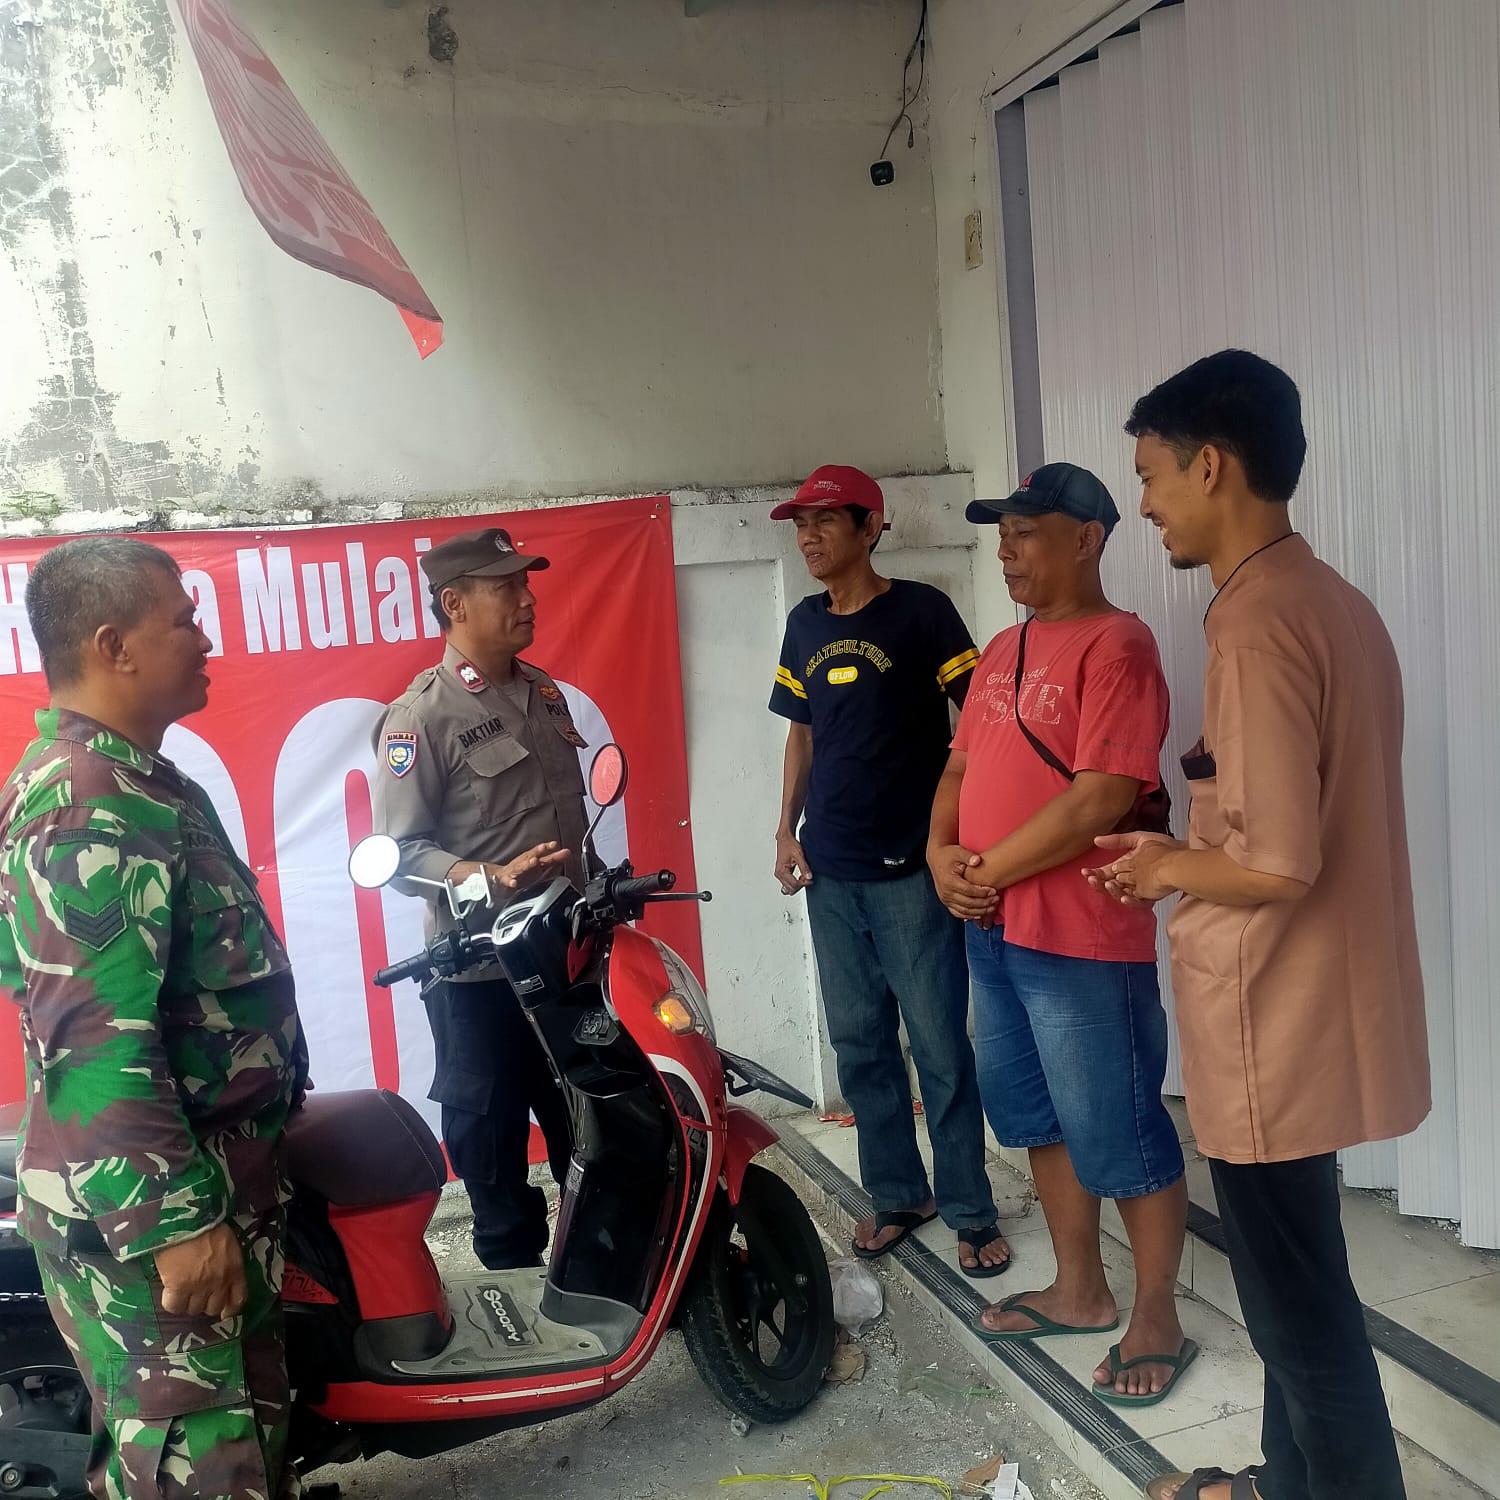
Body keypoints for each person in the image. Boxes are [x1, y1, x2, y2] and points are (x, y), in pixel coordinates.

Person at [1089, 349, 1430, 1500]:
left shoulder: (1257, 624)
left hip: (1270, 1019)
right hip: (1315, 1007)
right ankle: (1287, 1484)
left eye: (1151, 476)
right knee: (1299, 1291)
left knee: (1301, 1320)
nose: (1145, 504)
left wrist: (1162, 866)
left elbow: (1278, 859)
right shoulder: (1333, 602)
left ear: (1211, 466)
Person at [0, 537, 307, 1500]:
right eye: (183, 622)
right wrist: (173, 1226)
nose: (204, 640)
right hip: (158, 1216)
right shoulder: (88, 805)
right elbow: (93, 1041)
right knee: (195, 1465)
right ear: (114, 645)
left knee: (242, 1445)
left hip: (215, 1179)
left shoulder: (141, 782)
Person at [929, 463, 1193, 1406]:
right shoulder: (1003, 647)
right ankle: (1080, 1290)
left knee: (1118, 1125)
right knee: (1035, 1116)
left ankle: (1156, 1314)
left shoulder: (1120, 645)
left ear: (1087, 539)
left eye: (1026, 533)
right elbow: (958, 769)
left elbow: (1101, 798)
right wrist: (939, 855)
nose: (1007, 550)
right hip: (994, 931)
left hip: (1079, 936)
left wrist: (983, 872)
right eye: (1001, 534)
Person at [769, 464, 1007, 1277]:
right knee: (861, 1045)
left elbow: (979, 722)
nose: (809, 537)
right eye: (801, 524)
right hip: (831, 872)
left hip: (912, 868)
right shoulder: (803, 624)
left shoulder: (923, 613)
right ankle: (901, 1195)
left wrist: (966, 830)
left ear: (871, 527)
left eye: (825, 521)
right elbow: (801, 731)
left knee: (939, 1045)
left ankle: (971, 1209)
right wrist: (785, 828)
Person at [372, 526, 587, 1272]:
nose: (527, 599)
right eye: (507, 587)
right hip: (478, 975)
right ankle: (515, 1301)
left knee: (591, 1133)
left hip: (565, 959)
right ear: (455, 604)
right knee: (492, 1157)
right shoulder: (419, 717)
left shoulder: (542, 691)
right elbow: (399, 855)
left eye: (527, 583)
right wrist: (485, 877)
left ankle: (598, 1285)